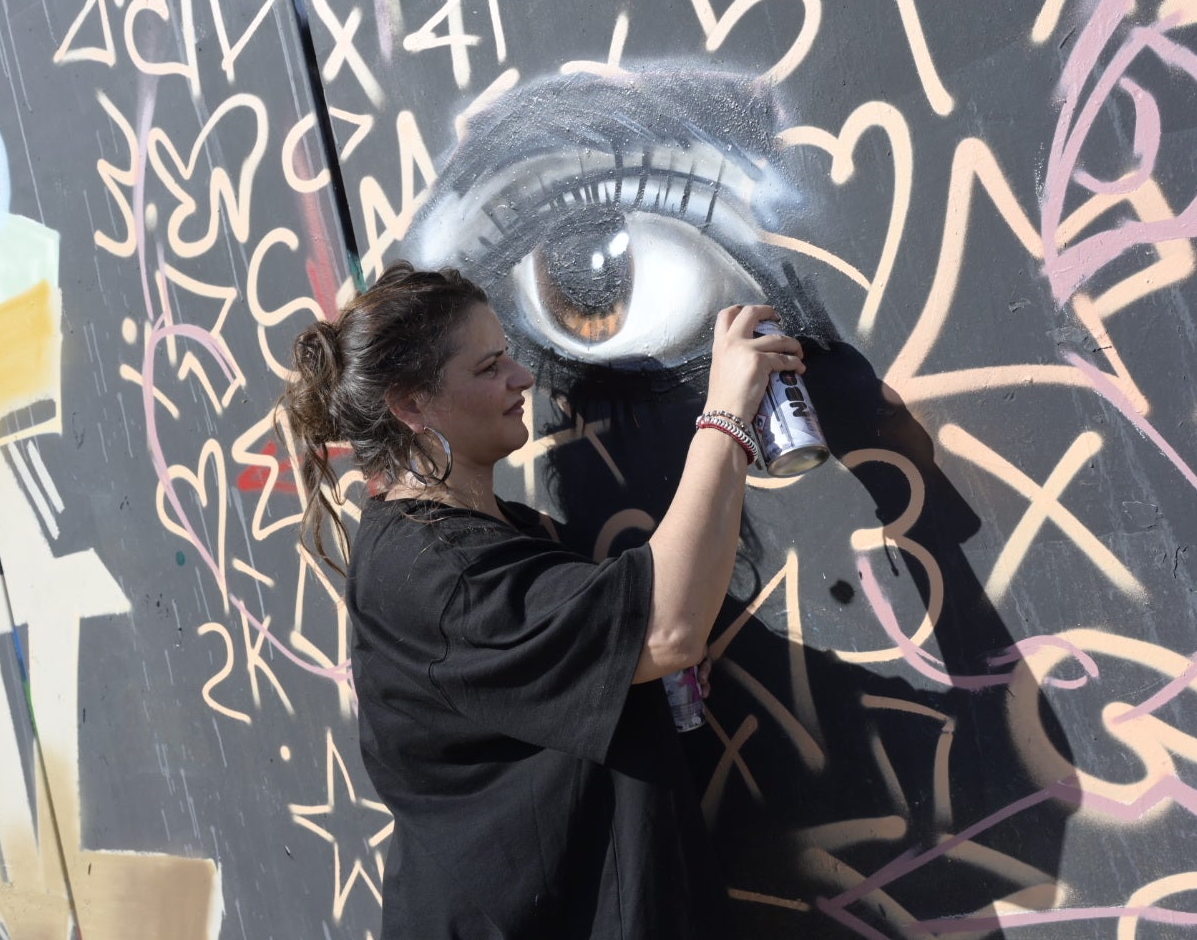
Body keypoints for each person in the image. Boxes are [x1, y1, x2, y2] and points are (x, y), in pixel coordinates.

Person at [280, 261, 805, 938]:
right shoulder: (436, 573)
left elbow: (627, 652)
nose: (521, 378)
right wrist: (729, 412)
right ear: (412, 405)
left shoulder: (500, 536)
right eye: (490, 366)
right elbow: (666, 628)